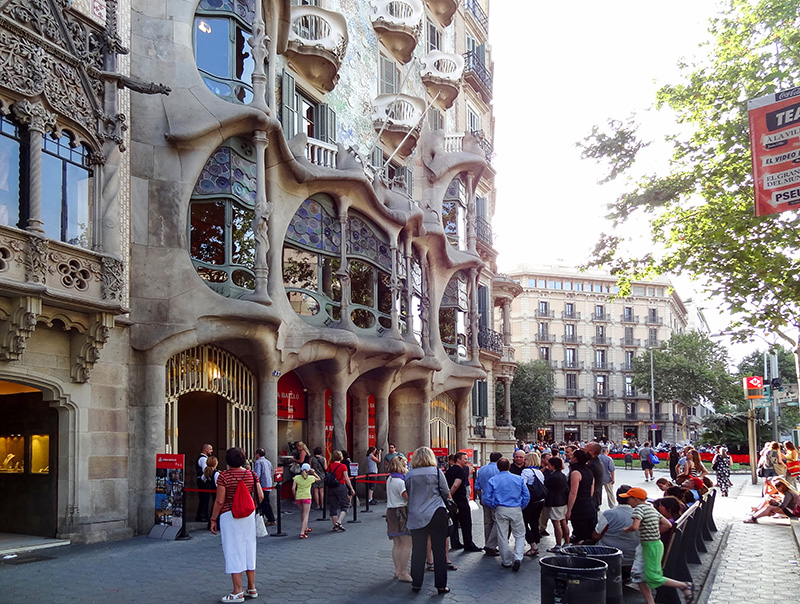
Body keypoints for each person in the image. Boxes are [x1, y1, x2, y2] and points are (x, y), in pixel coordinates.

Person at [621, 487, 694, 604]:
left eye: (628, 499)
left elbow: (635, 526)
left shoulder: (638, 509)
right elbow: (667, 524)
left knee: (653, 577)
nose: (627, 502)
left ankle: (684, 585)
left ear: (635, 499)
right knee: (639, 575)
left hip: (650, 547)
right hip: (652, 545)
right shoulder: (651, 509)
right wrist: (653, 532)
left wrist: (627, 530)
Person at [209, 447, 264, 603]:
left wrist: (213, 519)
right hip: (248, 515)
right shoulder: (251, 475)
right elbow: (260, 495)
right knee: (249, 549)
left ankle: (237, 592)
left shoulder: (224, 476)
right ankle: (252, 588)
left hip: (229, 515)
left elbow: (220, 501)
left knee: (233, 550)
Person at [406, 446, 452, 595]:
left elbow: (408, 492)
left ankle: (416, 583)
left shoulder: (410, 474)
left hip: (415, 514)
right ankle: (441, 585)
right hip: (436, 513)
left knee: (418, 550)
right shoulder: (437, 472)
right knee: (439, 550)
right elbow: (446, 492)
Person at [483, 457, 530, 571]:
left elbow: (486, 498)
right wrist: (521, 505)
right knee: (519, 534)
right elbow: (526, 495)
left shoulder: (493, 480)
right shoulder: (518, 479)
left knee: (502, 536)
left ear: (498, 467)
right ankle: (518, 557)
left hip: (501, 509)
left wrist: (494, 505)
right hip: (516, 508)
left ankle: (506, 561)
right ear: (509, 466)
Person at [592, 484, 640, 578]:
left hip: (610, 555)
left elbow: (596, 536)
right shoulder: (642, 513)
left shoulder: (609, 514)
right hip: (634, 556)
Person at [445, 451, 481, 552]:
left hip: (452, 503)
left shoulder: (449, 470)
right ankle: (468, 544)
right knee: (466, 523)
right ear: (458, 460)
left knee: (454, 523)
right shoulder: (460, 471)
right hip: (460, 500)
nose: (467, 461)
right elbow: (456, 484)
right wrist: (450, 495)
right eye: (465, 459)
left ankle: (455, 543)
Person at [386, 455, 412, 582]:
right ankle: (403, 572)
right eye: (405, 464)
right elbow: (407, 497)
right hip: (401, 512)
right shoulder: (400, 481)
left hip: (391, 511)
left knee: (397, 543)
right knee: (407, 543)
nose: (407, 466)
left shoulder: (390, 479)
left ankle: (397, 570)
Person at [566, 448, 597, 544]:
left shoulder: (576, 473)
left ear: (576, 458)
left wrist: (569, 510)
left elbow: (573, 493)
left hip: (579, 506)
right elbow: (591, 490)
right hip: (589, 505)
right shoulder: (589, 471)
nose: (570, 457)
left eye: (572, 456)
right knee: (589, 533)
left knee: (580, 533)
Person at [474, 451, 501, 556]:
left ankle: (489, 543)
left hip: (485, 499)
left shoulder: (482, 469)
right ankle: (491, 545)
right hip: (495, 500)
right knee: (497, 522)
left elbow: (477, 486)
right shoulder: (498, 470)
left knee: (488, 522)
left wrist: (480, 498)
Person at [544, 456, 569, 547]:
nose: (548, 467)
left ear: (553, 465)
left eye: (549, 465)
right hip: (562, 501)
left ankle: (558, 544)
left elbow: (546, 488)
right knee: (563, 522)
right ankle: (567, 542)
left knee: (556, 524)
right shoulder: (562, 475)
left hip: (554, 502)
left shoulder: (552, 476)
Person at [327, 450, 355, 532]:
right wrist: (351, 488)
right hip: (340, 486)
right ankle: (339, 522)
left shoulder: (330, 466)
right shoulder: (343, 466)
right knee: (345, 505)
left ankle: (336, 525)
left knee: (333, 507)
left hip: (331, 487)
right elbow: (346, 478)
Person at [292, 463, 318, 539]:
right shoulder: (310, 478)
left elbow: (293, 488)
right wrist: (313, 472)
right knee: (306, 514)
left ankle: (305, 527)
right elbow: (319, 478)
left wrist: (295, 496)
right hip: (307, 496)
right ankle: (302, 532)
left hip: (299, 497)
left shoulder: (296, 477)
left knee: (302, 513)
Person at [253, 448, 275, 526]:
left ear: (258, 454)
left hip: (262, 485)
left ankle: (270, 518)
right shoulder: (268, 462)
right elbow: (272, 471)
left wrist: (255, 484)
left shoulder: (258, 462)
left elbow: (257, 475)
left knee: (264, 502)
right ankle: (265, 517)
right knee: (264, 501)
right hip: (268, 484)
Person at [195, 443, 214, 522]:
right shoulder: (203, 459)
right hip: (203, 481)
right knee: (204, 499)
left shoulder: (204, 458)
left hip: (202, 480)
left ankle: (202, 515)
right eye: (210, 449)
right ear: (205, 450)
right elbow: (205, 471)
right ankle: (202, 516)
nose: (211, 451)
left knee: (204, 498)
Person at [585, 442, 605, 511]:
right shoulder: (594, 461)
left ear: (592, 451)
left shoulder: (593, 464)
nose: (584, 449)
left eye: (587, 447)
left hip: (593, 497)